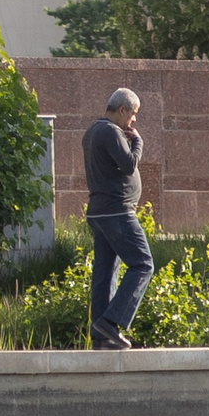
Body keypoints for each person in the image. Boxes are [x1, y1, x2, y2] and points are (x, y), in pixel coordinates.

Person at [82, 87, 153, 349]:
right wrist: (138, 142)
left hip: (99, 212)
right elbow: (128, 164)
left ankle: (101, 335)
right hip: (117, 212)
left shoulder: (92, 132)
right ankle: (112, 322)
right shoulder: (111, 131)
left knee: (105, 273)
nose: (133, 121)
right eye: (133, 114)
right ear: (122, 110)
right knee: (143, 265)